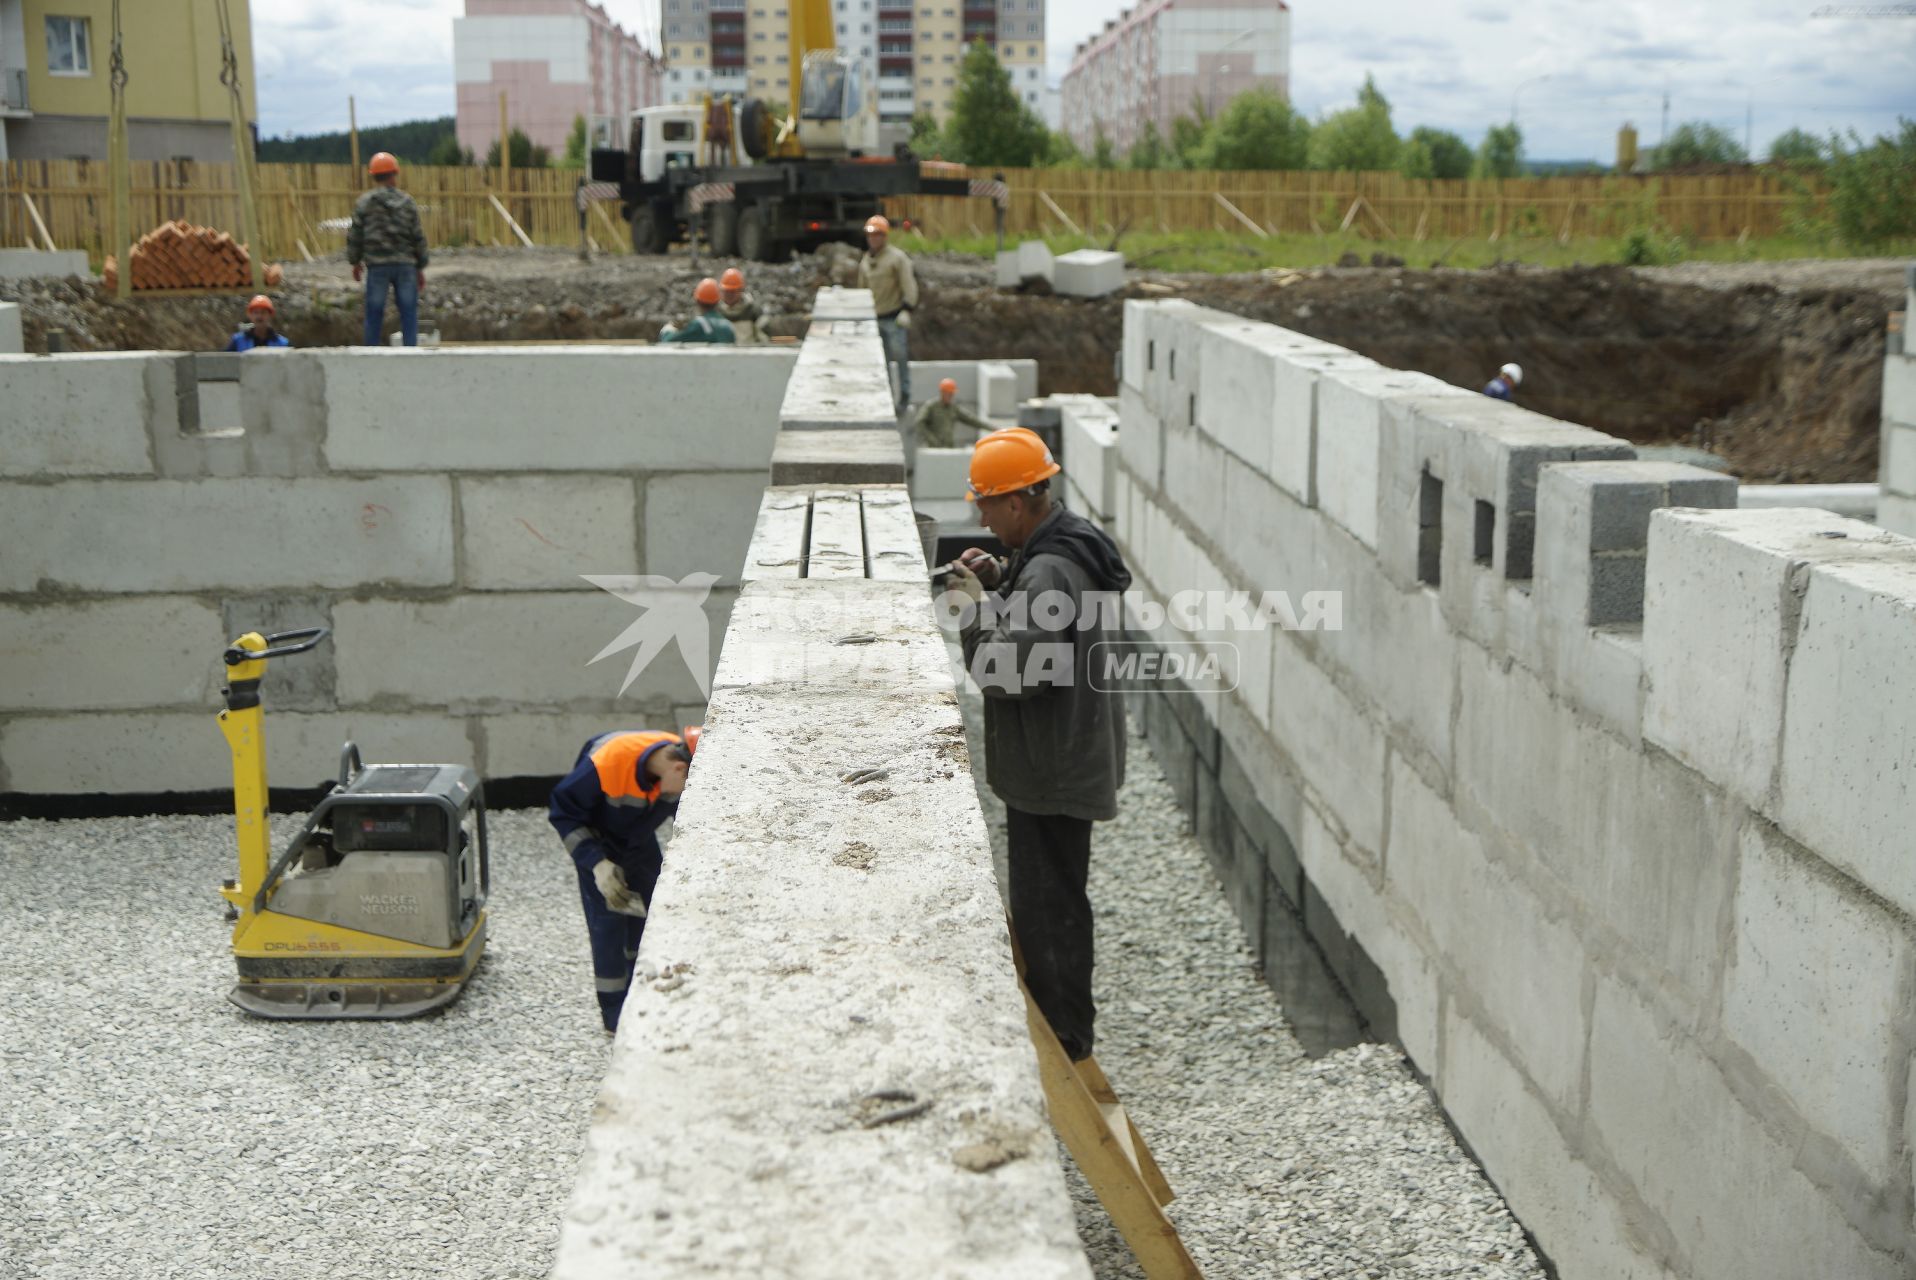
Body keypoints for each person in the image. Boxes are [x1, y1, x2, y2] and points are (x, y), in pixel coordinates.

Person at [950, 428, 1131, 1062]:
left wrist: (973, 609)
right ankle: (1067, 1029)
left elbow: (1009, 674)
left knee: (1048, 910)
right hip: (1070, 753)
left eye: (987, 503)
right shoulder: (1062, 545)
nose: (980, 514)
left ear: (1019, 505)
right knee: (1058, 897)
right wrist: (1004, 579)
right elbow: (1046, 628)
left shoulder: (1050, 568)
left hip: (1051, 770)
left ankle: (1065, 1042)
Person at [548, 726, 701, 1032]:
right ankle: (616, 1018)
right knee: (608, 925)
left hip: (637, 839)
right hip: (599, 842)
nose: (680, 796)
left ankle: (646, 995)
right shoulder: (606, 766)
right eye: (684, 786)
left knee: (650, 914)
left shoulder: (678, 758)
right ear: (678, 767)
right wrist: (597, 864)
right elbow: (563, 813)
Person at [347, 151, 429, 348]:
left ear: (374, 175)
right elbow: (417, 235)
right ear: (394, 174)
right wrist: (421, 265)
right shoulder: (407, 202)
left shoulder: (364, 203)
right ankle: (410, 353)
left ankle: (371, 355)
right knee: (409, 312)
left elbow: (355, 235)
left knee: (374, 312)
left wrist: (355, 261)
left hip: (377, 267)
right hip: (406, 266)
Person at [856, 214, 917, 414]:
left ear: (885, 236)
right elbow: (861, 290)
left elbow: (908, 284)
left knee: (899, 357)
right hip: (874, 319)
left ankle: (904, 396)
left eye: (878, 235)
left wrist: (907, 308)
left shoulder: (897, 258)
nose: (873, 239)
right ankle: (886, 400)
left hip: (894, 317)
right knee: (880, 362)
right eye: (870, 235)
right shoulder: (866, 261)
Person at [911, 377, 992, 448]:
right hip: (933, 448)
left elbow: (971, 419)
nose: (951, 396)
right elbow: (919, 422)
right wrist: (931, 440)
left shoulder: (953, 408)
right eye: (948, 394)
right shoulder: (931, 406)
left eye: (952, 394)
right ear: (942, 392)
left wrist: (992, 428)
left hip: (948, 447)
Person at [659, 277, 738, 344]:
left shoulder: (700, 325)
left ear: (698, 301)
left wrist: (668, 330)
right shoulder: (728, 326)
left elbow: (669, 340)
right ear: (718, 301)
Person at [717, 266, 764, 343]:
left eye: (732, 291)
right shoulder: (717, 312)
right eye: (726, 291)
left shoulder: (752, 312)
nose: (729, 295)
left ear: (740, 290)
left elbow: (762, 339)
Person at [225, 295, 289, 351]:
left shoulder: (282, 343)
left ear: (270, 315)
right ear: (250, 315)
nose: (259, 316)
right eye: (256, 312)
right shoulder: (238, 341)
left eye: (263, 312)